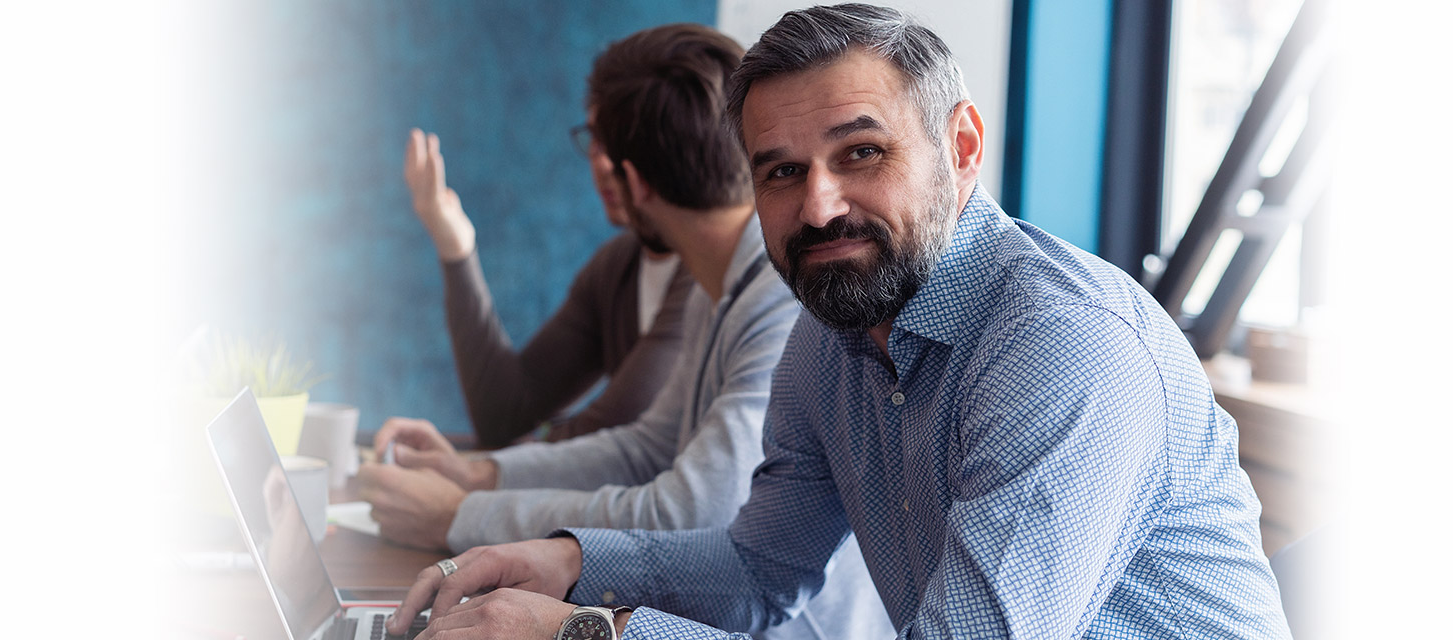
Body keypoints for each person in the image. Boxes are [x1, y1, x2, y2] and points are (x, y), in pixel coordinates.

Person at [384, 5, 1293, 639]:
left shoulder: (1062, 349)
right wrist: (564, 563)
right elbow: (759, 572)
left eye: (862, 153)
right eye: (780, 172)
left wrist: (587, 631)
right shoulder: (831, 334)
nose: (819, 206)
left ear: (962, 147)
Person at [359, 23, 892, 640]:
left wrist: (462, 515)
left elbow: (693, 508)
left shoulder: (789, 297)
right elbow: (643, 447)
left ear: (632, 180)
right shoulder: (714, 281)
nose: (818, 202)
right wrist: (482, 478)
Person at [400, 66, 696, 451]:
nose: (603, 163)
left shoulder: (706, 274)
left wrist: (482, 470)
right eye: (595, 139)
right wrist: (457, 249)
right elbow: (503, 415)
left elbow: (616, 434)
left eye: (621, 139)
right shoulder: (615, 267)